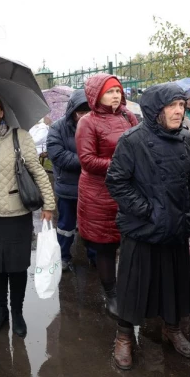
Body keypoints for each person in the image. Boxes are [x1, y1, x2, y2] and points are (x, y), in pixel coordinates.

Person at [105, 83, 190, 370]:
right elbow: (116, 181)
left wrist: (189, 215)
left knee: (174, 283)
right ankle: (124, 337)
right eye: (172, 106)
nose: (179, 111)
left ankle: (171, 329)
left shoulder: (183, 138)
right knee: (134, 287)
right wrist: (147, 210)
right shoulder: (132, 140)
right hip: (143, 229)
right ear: (156, 109)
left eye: (181, 105)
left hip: (175, 229)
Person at [0, 93, 55, 337]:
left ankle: (17, 312)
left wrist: (48, 204)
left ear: (1, 112)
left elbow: (37, 172)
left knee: (17, 267)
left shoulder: (20, 136)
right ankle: (0, 310)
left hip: (17, 212)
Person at [75, 73, 138, 318]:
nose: (116, 95)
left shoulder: (128, 116)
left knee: (128, 242)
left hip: (127, 192)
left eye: (118, 91)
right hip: (98, 194)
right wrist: (120, 164)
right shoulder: (87, 122)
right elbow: (87, 160)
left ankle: (126, 288)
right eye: (110, 91)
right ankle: (110, 294)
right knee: (105, 246)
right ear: (97, 95)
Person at [46, 89, 96, 271]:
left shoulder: (97, 126)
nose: (84, 116)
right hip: (68, 188)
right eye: (81, 112)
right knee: (65, 226)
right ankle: (64, 256)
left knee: (91, 226)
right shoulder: (57, 128)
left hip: (92, 189)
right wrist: (89, 160)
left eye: (88, 112)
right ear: (72, 111)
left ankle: (94, 256)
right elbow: (58, 156)